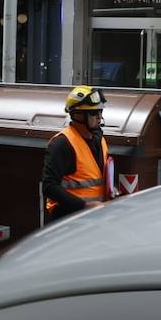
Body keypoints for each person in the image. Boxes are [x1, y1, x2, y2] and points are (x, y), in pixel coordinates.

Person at [41, 85, 112, 221]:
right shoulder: (62, 144)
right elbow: (49, 186)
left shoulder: (99, 139)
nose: (99, 117)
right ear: (77, 115)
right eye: (93, 113)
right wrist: (84, 205)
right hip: (68, 219)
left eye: (100, 112)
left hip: (95, 218)